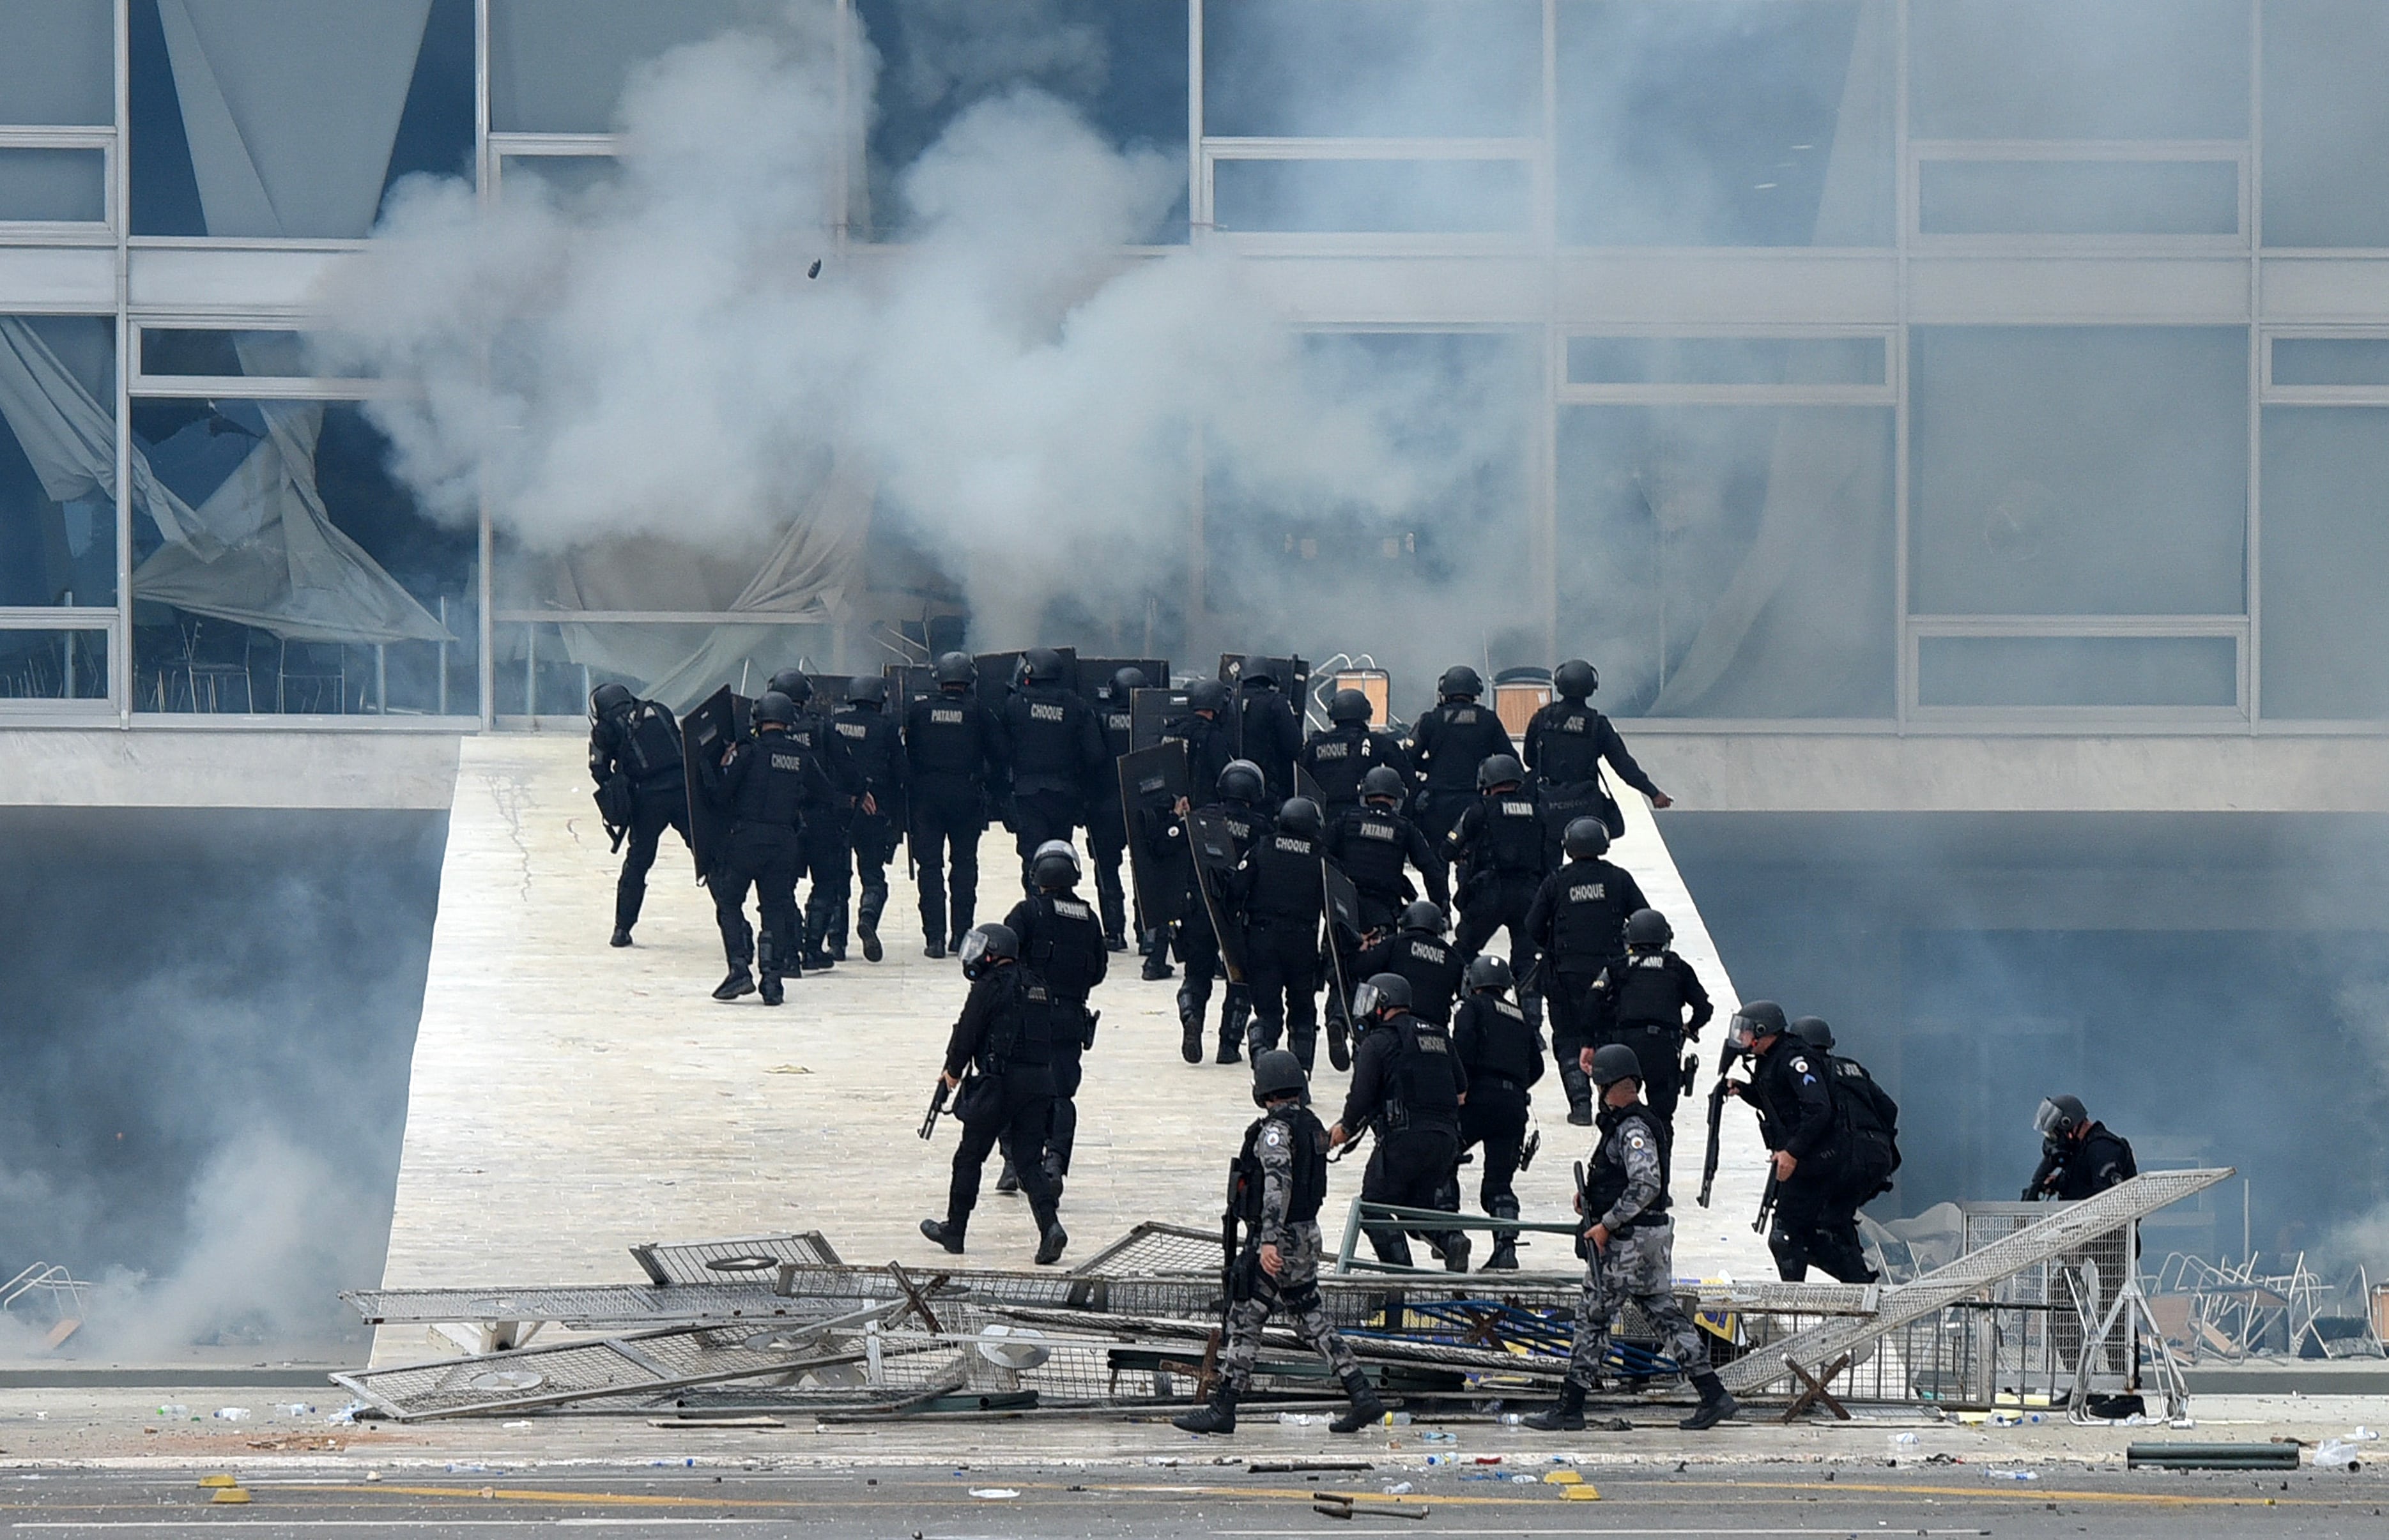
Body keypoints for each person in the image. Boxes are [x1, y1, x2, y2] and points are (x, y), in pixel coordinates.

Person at [1521, 1044, 1737, 1433]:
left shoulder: (1632, 1128)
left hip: (1627, 1241)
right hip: (1649, 1238)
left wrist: (1606, 1223)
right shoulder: (1634, 1123)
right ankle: (1714, 1394)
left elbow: (1646, 1182)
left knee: (1593, 1319)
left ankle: (1570, 1408)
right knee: (1666, 1317)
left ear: (1605, 1084)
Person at [1172, 1050, 1386, 1437]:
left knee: (1246, 1318)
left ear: (1264, 1090)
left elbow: (1277, 1184)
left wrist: (1269, 1240)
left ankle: (1224, 1407)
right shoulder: (1311, 1124)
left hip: (1279, 1239)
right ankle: (1362, 1394)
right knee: (1309, 1317)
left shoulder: (1275, 1131)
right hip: (1307, 1234)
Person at [919, 924, 1069, 1265]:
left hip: (997, 1085)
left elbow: (968, 1032)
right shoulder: (1039, 986)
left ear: (994, 952)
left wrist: (953, 1072)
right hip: (1039, 1084)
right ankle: (1051, 1228)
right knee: (1029, 1161)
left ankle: (955, 1230)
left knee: (970, 1157)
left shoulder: (989, 986)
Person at [1331, 973, 1471, 1272]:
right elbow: (1461, 1092)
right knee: (1416, 1205)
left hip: (1403, 1138)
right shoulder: (1438, 1034)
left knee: (1374, 1206)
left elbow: (1361, 1097)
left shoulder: (1379, 1041)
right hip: (1446, 1141)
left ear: (1383, 1003)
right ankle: (1450, 1239)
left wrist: (1342, 1131)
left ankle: (1401, 1274)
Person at [704, 690, 836, 1006]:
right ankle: (773, 980)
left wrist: (718, 768)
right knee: (775, 909)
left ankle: (739, 969)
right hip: (783, 842)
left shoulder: (747, 753)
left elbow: (722, 796)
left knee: (730, 902)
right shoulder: (801, 756)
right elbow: (825, 793)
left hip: (746, 839)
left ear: (758, 719)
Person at [1725, 1002, 1870, 1283]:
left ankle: (1809, 1295)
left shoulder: (1794, 1059)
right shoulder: (1772, 1059)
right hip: (1805, 1161)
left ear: (1763, 1031)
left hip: (1816, 1161)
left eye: (1746, 1032)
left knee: (1787, 1235)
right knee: (1798, 1232)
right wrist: (1742, 1090)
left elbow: (1819, 1109)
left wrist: (1792, 1152)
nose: (1741, 1038)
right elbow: (1778, 1100)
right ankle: (1856, 1282)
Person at [999, 841, 1107, 1197]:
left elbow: (1003, 958)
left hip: (1027, 1018)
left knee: (1012, 1089)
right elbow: (1099, 970)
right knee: (1061, 1094)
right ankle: (1054, 1165)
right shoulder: (1089, 918)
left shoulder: (1026, 913)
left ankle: (1013, 1163)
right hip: (1068, 1019)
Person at [1322, 766, 1448, 1068]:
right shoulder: (1404, 829)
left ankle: (1337, 1016)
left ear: (1365, 795)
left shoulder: (1346, 821)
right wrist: (1441, 908)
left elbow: (1322, 855)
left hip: (1344, 909)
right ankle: (1361, 1039)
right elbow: (1431, 868)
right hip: (1382, 913)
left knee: (1339, 969)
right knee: (1371, 977)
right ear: (1398, 798)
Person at [1527, 818, 1650, 1125]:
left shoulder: (1556, 881)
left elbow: (1532, 927)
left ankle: (1580, 1105)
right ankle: (1609, 1101)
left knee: (1568, 1037)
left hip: (1566, 975)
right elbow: (1643, 919)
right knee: (1609, 1035)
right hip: (1611, 974)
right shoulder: (1619, 879)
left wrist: (1555, 945)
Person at [903, 652, 1008, 959]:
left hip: (926, 799)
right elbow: (1001, 755)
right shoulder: (980, 712)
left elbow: (907, 753)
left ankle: (934, 938)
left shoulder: (919, 711)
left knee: (930, 868)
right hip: (966, 796)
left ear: (939, 679)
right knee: (964, 867)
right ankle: (961, 936)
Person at [1586, 908, 1710, 1157]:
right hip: (1663, 1049)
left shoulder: (1617, 967)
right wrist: (1690, 1028)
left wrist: (1598, 1037)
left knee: (1614, 1114)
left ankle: (1617, 1175)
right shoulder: (1678, 967)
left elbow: (1592, 1003)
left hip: (1624, 1048)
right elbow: (1704, 1007)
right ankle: (1661, 1185)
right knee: (1662, 1119)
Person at [1445, 754, 1552, 1027]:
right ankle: (1532, 1025)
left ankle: (1472, 1012)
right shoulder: (1537, 810)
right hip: (1530, 894)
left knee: (1464, 950)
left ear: (1487, 781)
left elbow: (1447, 849)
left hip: (1488, 894)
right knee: (1527, 960)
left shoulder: (1479, 810)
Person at [1450, 955, 1541, 1270]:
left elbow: (1462, 1047)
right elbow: (1538, 1065)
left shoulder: (1470, 1009)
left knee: (1442, 1163)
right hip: (1513, 1106)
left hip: (1475, 1100)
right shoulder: (1520, 1016)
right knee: (1499, 1184)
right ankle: (1506, 1250)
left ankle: (1449, 1236)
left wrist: (1461, 1086)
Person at [766, 669, 858, 970]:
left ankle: (791, 950)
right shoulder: (822, 728)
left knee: (782, 888)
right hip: (821, 818)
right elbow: (846, 768)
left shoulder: (762, 734)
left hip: (782, 819)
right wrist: (859, 793)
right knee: (827, 883)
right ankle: (813, 947)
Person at [1229, 796, 1330, 1070]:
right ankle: (1301, 1076)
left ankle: (1261, 1047)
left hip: (1263, 940)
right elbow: (1337, 906)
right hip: (1302, 944)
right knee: (1302, 1013)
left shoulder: (1262, 848)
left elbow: (1236, 891)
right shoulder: (1321, 858)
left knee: (1268, 1010)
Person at [587, 682, 689, 948]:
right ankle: (735, 926)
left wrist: (619, 788)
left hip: (648, 800)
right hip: (683, 792)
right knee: (708, 856)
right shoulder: (659, 710)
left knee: (638, 863)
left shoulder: (605, 728)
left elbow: (599, 769)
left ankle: (622, 930)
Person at [1792, 1017, 1900, 1270]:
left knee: (1813, 1221)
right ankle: (1857, 1276)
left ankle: (1854, 1280)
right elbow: (1889, 1108)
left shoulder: (1809, 1071)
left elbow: (1814, 1115)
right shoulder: (1853, 1068)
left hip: (1844, 1157)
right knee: (1838, 1217)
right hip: (1879, 1157)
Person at [1178, 759, 1266, 1065]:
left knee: (1197, 973)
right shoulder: (1261, 828)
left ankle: (1191, 1016)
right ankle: (1229, 1045)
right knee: (1240, 980)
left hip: (1200, 908)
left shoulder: (1200, 819)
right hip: (1239, 913)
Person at [1001, 648, 1108, 892]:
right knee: (1059, 858)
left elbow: (1001, 750)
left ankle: (1036, 915)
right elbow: (1096, 754)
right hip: (1065, 794)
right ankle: (1062, 915)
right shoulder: (1076, 706)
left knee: (1033, 861)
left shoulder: (1015, 704)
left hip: (1029, 796)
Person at [1522, 659, 1673, 827]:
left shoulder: (1542, 718)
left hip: (1547, 805)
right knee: (1588, 845)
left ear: (1559, 684)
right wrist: (1653, 793)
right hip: (1585, 808)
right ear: (1591, 687)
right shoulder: (1598, 725)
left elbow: (1529, 759)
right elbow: (1624, 766)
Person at [828, 675, 903, 963]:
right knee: (873, 877)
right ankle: (868, 920)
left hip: (840, 809)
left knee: (837, 878)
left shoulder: (833, 724)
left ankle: (836, 943)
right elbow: (901, 770)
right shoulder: (887, 728)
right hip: (874, 810)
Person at [1406, 665, 1516, 847]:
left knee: (1436, 863)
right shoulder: (1488, 720)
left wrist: (1430, 766)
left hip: (1436, 803)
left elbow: (1408, 758)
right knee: (1473, 861)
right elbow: (1509, 760)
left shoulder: (1431, 719)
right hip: (1476, 802)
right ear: (1475, 691)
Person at [1087, 666, 1146, 953]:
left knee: (1107, 869)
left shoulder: (1099, 716)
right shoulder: (1149, 716)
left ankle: (1114, 932)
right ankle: (1147, 933)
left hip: (1104, 803)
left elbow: (1092, 755)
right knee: (1145, 870)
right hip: (1140, 803)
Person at [1351, 899, 1466, 1028]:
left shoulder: (1395, 943)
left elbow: (1361, 967)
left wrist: (1360, 949)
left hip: (1395, 1025)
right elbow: (1465, 994)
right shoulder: (1453, 957)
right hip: (1435, 1030)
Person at [1296, 688, 1413, 812]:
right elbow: (1406, 773)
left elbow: (1301, 777)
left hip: (1322, 815)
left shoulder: (1316, 743)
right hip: (1362, 816)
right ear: (1366, 713)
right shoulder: (1375, 742)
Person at [2024, 1094, 2136, 1200]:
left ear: (2068, 1124)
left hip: (2104, 1221)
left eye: (2055, 1133)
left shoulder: (2102, 1149)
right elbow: (2083, 1181)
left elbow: (2106, 1198)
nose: (2056, 1139)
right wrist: (2056, 1183)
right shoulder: (2081, 1149)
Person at [1233, 659, 1303, 802]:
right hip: (1268, 789)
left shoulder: (1229, 701)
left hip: (1231, 785)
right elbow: (1294, 746)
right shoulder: (1277, 702)